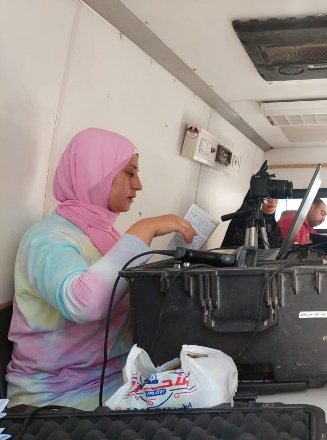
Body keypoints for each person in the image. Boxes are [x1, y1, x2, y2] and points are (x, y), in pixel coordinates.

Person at [7, 127, 197, 410]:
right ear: (94, 174)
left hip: (116, 377)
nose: (138, 185)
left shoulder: (104, 236)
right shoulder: (46, 239)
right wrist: (144, 229)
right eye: (129, 173)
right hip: (58, 395)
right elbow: (84, 304)